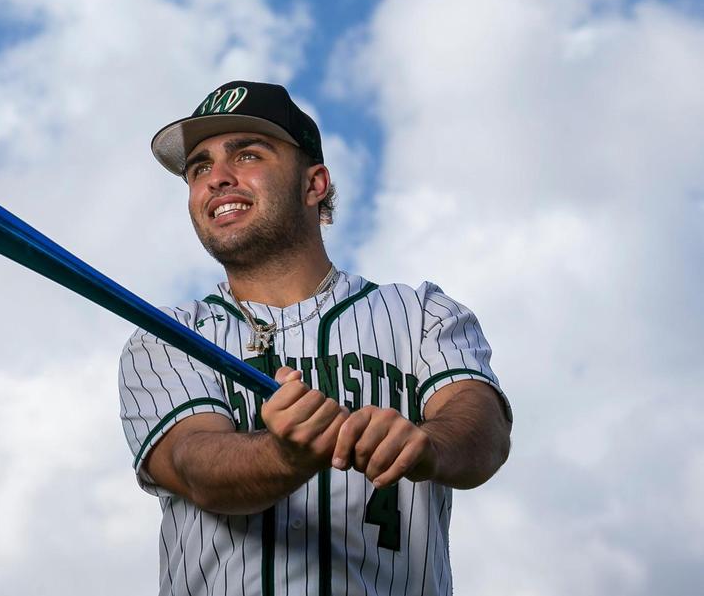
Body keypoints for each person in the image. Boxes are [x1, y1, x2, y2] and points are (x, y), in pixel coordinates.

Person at [118, 80, 512, 596]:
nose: (217, 179)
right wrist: (285, 455)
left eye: (248, 154)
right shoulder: (166, 337)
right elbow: (195, 467)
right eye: (199, 168)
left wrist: (428, 445)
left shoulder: (420, 314)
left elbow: (482, 429)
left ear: (314, 184)